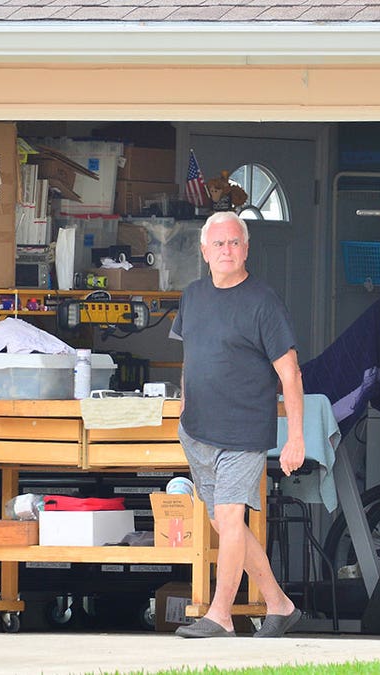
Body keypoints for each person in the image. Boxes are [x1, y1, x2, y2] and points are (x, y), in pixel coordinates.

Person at [168, 211, 305, 638]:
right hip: (198, 430)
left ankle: (220, 614)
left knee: (229, 516)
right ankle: (280, 605)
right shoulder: (192, 296)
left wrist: (295, 436)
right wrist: (184, 405)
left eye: (234, 243)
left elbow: (291, 373)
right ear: (205, 251)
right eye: (219, 243)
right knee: (224, 523)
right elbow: (191, 357)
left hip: (243, 431)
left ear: (246, 250)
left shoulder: (263, 302)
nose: (226, 250)